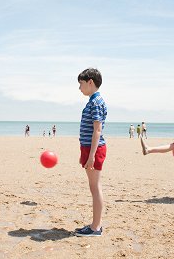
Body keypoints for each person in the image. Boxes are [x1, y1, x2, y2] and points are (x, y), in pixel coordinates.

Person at [75, 68, 107, 237]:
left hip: (93, 149)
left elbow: (97, 131)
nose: (79, 88)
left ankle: (95, 228)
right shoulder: (93, 101)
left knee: (95, 187)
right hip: (89, 148)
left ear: (90, 82)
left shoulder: (96, 102)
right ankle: (95, 224)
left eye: (81, 84)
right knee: (94, 187)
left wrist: (92, 156)